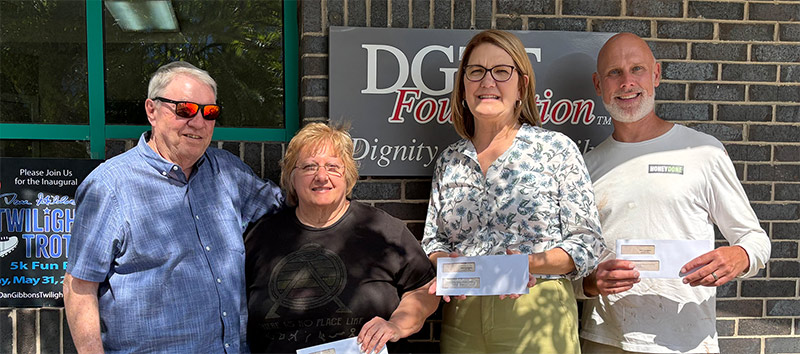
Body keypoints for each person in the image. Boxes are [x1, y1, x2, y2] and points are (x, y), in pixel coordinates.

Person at [63, 61, 283, 353]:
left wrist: (318, 173)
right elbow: (79, 287)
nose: (198, 122)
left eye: (209, 112)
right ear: (151, 111)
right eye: (185, 109)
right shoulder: (110, 186)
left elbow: (290, 208)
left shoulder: (228, 173)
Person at [577, 33, 772, 354]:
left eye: (637, 69)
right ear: (599, 85)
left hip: (686, 341)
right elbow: (571, 265)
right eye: (614, 73)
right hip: (605, 339)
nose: (626, 82)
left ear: (655, 74)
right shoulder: (585, 166)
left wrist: (740, 256)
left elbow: (755, 239)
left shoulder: (703, 151)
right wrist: (587, 284)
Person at [421, 29, 606, 354]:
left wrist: (527, 263)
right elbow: (433, 241)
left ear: (522, 86)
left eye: (501, 71)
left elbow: (586, 243)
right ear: (463, 87)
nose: (487, 82)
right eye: (476, 71)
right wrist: (447, 261)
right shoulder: (450, 161)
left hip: (538, 310)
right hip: (462, 315)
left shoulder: (555, 150)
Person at [245, 123, 439, 354]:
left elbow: (424, 289)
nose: (321, 176)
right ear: (291, 177)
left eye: (333, 167)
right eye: (309, 167)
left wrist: (396, 325)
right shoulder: (261, 237)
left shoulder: (384, 231)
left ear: (348, 176)